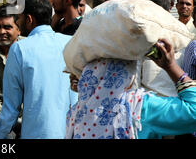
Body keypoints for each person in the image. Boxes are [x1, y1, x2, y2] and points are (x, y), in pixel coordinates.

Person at [66, 38, 196, 139]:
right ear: (129, 71)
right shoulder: (138, 108)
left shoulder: (77, 112)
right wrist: (171, 66)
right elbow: (193, 110)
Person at [0, 0, 78, 139]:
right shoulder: (69, 42)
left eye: (19, 19)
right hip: (69, 132)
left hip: (35, 133)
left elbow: (10, 108)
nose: (18, 23)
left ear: (29, 19)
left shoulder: (19, 49)